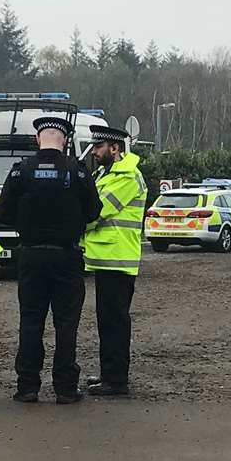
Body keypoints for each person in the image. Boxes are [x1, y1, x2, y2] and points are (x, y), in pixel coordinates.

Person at [0, 116, 101, 404]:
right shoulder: (76, 171)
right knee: (66, 324)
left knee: (31, 320)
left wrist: (26, 222)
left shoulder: (21, 171)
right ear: (64, 140)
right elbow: (94, 211)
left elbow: (2, 212)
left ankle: (27, 386)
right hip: (66, 256)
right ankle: (65, 387)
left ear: (38, 139)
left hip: (30, 255)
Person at [81, 124, 145, 396]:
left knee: (115, 320)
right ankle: (109, 374)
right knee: (106, 320)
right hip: (106, 258)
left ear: (115, 148)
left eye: (98, 147)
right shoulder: (106, 174)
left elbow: (97, 212)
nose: (94, 152)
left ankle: (117, 380)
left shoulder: (127, 176)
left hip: (118, 258)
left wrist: (68, 224)